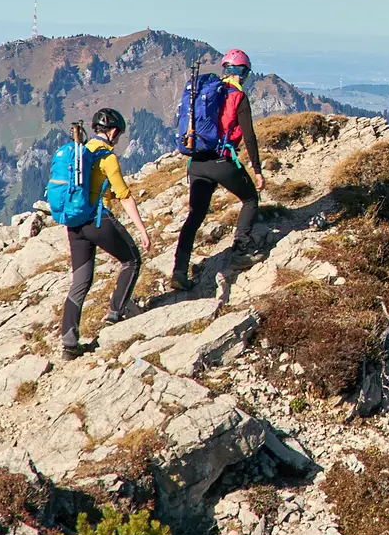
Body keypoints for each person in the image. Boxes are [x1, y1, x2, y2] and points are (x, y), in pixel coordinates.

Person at [58, 109, 153, 356]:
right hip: (98, 219)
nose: (118, 138)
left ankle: (68, 344)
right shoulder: (107, 157)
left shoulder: (80, 152)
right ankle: (114, 315)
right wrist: (142, 230)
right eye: (118, 134)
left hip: (75, 223)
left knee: (81, 281)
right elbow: (124, 195)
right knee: (132, 261)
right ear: (111, 132)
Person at [172, 49, 266, 291]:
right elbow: (249, 136)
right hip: (221, 162)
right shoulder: (237, 97)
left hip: (196, 163)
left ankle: (179, 271)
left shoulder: (206, 91)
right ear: (243, 72)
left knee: (194, 216)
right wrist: (257, 169)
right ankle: (240, 252)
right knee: (250, 199)